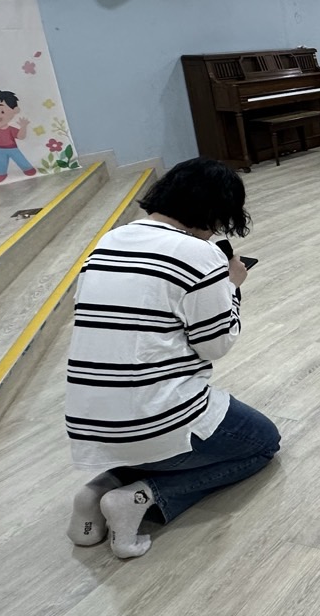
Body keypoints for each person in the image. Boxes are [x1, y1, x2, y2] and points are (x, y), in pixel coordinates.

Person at [65, 158, 279, 559]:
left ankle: (96, 492)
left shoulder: (109, 241)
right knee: (262, 442)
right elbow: (215, 345)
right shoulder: (200, 255)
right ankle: (142, 496)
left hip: (88, 420)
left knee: (157, 438)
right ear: (215, 211)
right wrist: (232, 286)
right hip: (155, 418)